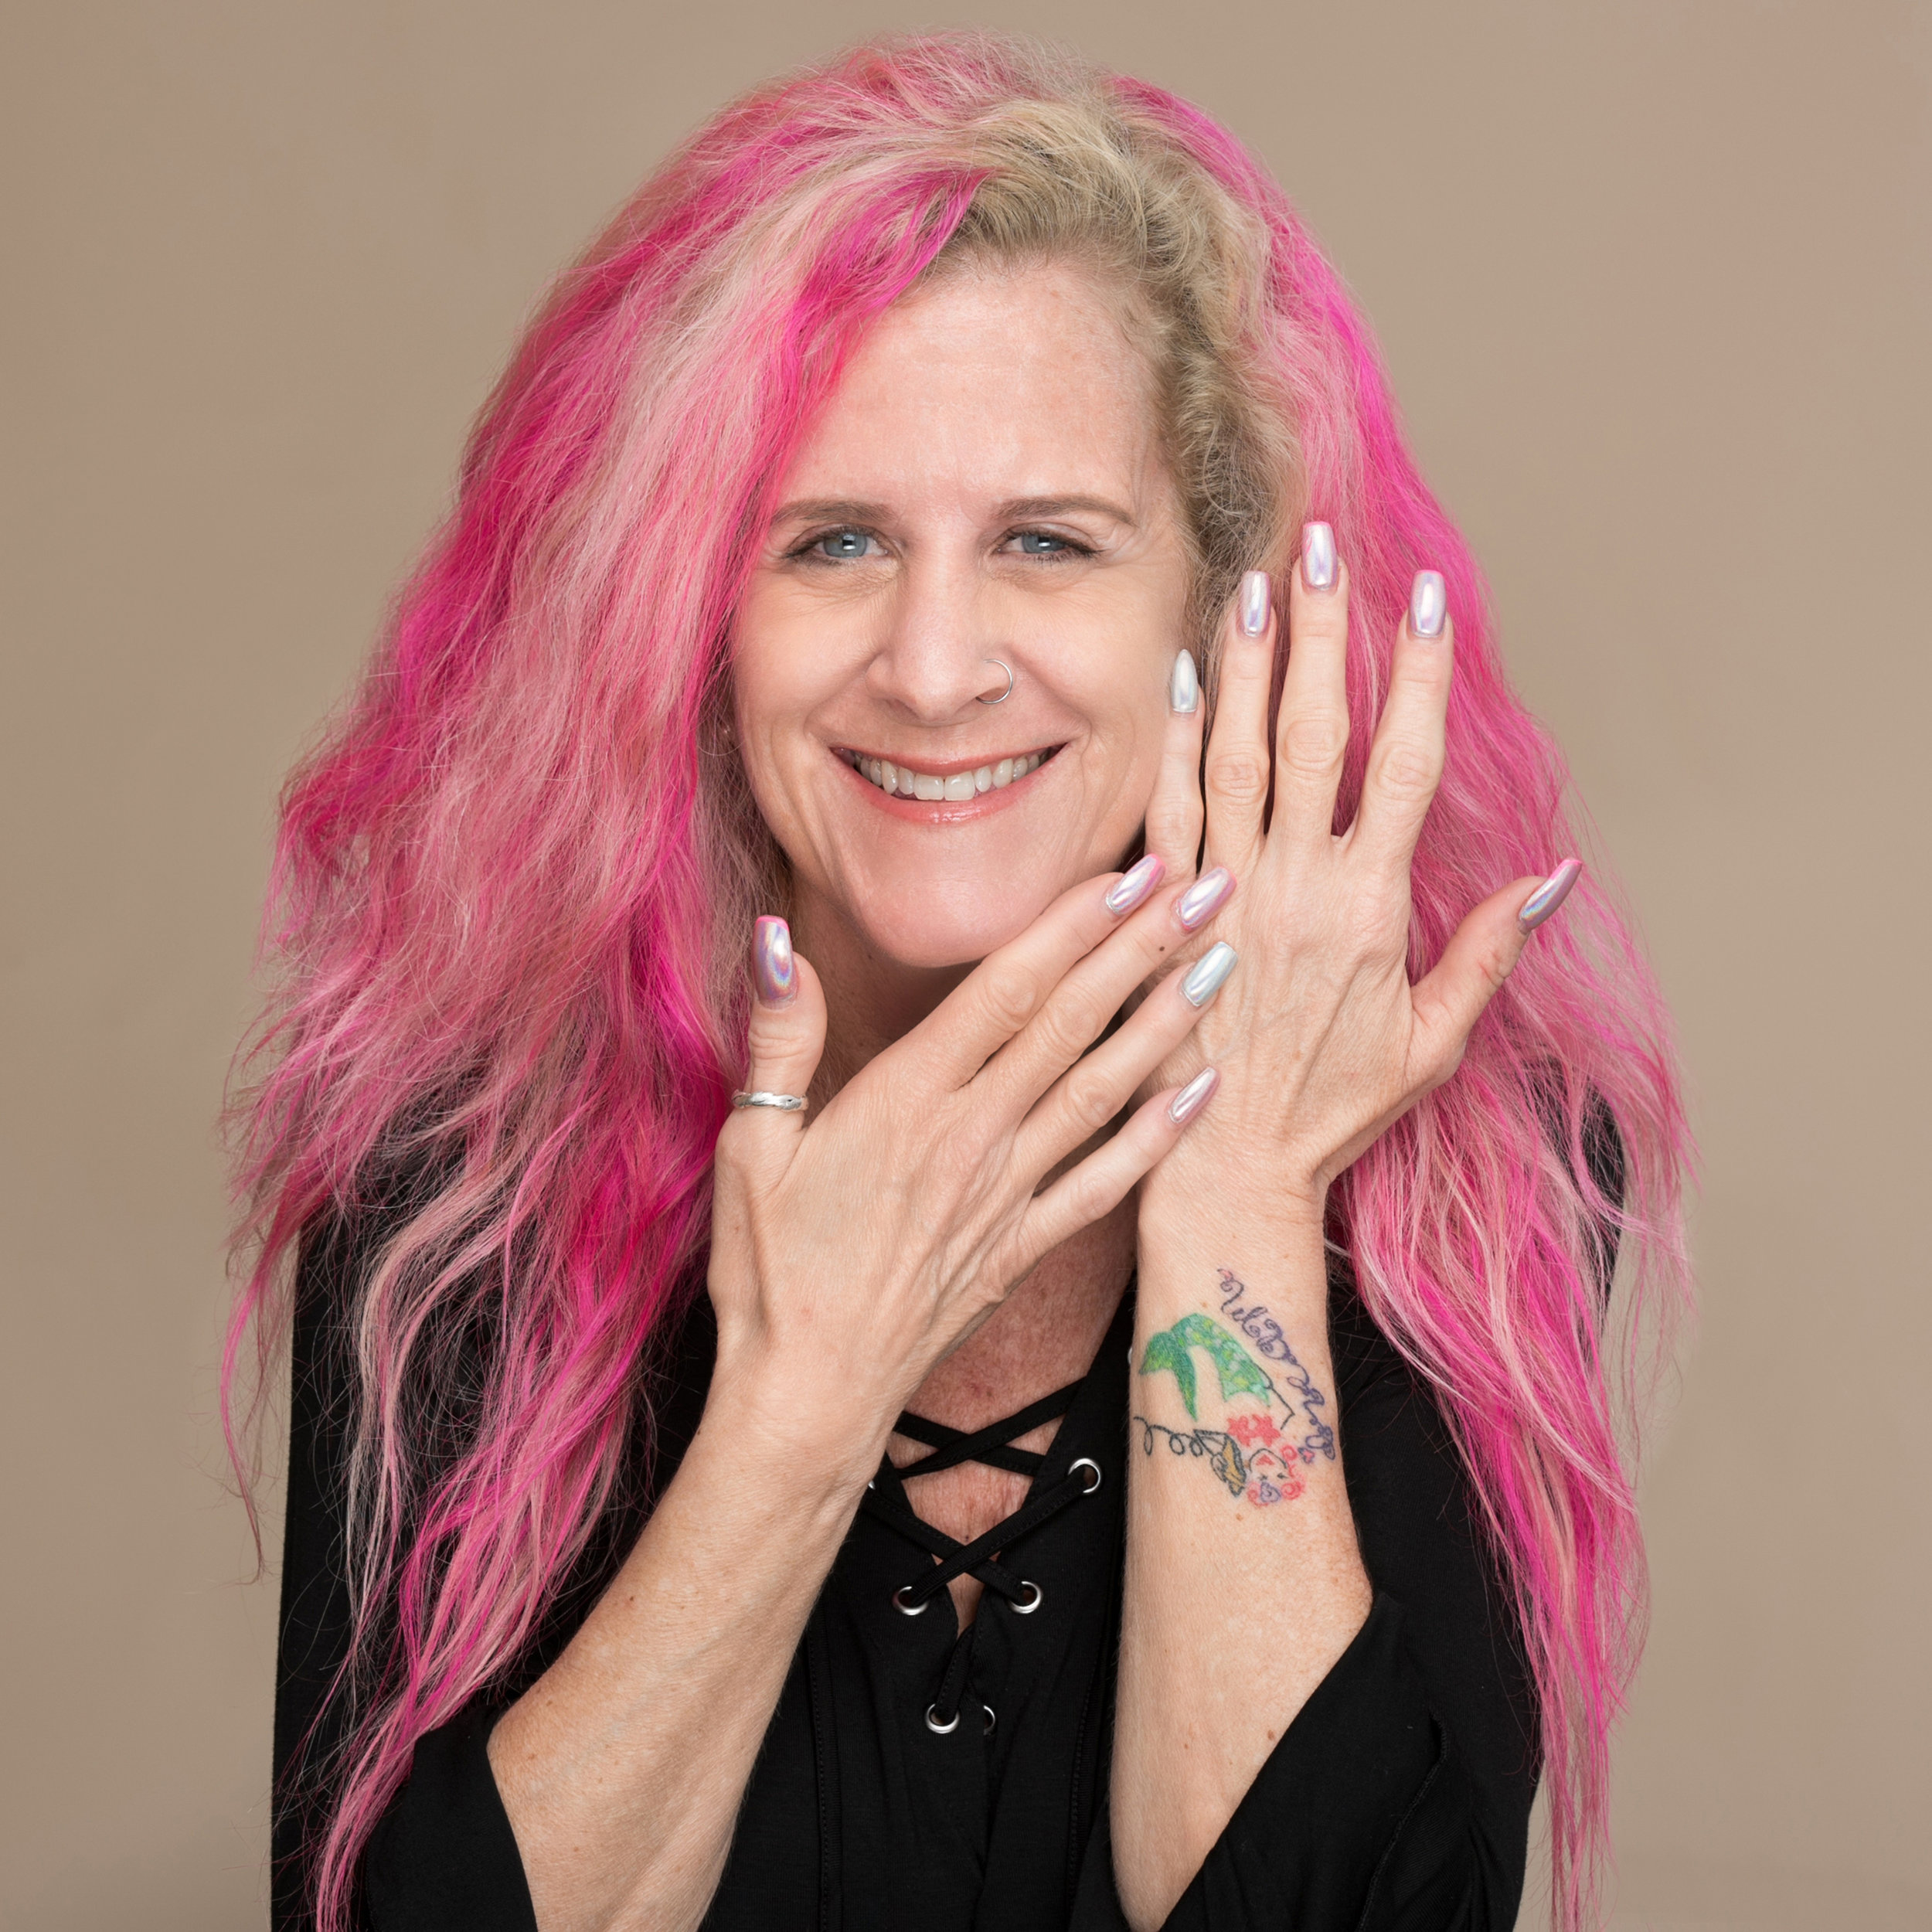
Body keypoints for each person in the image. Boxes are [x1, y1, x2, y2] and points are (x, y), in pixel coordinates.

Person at [231, 32, 1689, 1932]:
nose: (932, 668)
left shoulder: (1469, 1182)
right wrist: (802, 1399)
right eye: (831, 544)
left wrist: (1240, 1197)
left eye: (1045, 545)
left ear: (1214, 601)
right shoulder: (458, 1205)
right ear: (694, 623)